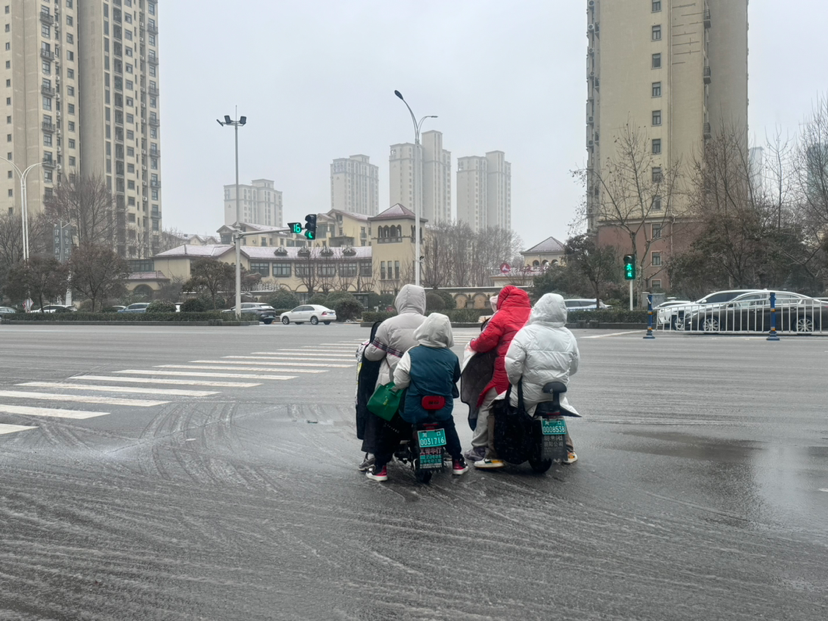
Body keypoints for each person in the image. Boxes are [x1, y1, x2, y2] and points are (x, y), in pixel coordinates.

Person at [366, 313, 468, 481]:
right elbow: (454, 378)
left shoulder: (412, 354)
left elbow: (400, 381)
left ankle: (380, 469)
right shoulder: (452, 357)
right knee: (448, 427)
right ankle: (458, 462)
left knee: (391, 429)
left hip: (413, 410)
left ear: (424, 330)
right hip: (442, 409)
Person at [504, 292, 580, 464]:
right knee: (556, 411)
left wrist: (515, 382)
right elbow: (574, 367)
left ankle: (493, 454)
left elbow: (513, 364)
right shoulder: (568, 335)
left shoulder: (526, 333)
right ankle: (568, 450)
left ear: (537, 309)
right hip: (556, 393)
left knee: (495, 407)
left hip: (528, 395)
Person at [358, 284, 427, 471]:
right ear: (422, 301)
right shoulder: (430, 323)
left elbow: (373, 355)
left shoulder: (388, 324)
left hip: (393, 383)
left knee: (377, 411)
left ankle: (373, 453)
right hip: (425, 382)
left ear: (399, 301)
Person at [464, 285, 532, 469]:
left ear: (503, 299)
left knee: (487, 404)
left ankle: (479, 447)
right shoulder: (533, 314)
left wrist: (472, 344)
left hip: (505, 371)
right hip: (531, 371)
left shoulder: (502, 315)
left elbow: (485, 342)